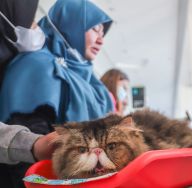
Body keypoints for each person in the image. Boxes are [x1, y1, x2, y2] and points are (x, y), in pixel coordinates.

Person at [0, 0, 114, 187]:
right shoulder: (39, 66)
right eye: (95, 29)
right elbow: (27, 161)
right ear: (72, 24)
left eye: (103, 33)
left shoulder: (92, 84)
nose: (101, 40)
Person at [0, 0, 58, 165]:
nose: (35, 27)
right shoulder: (37, 64)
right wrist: (32, 145)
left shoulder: (8, 59)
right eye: (28, 18)